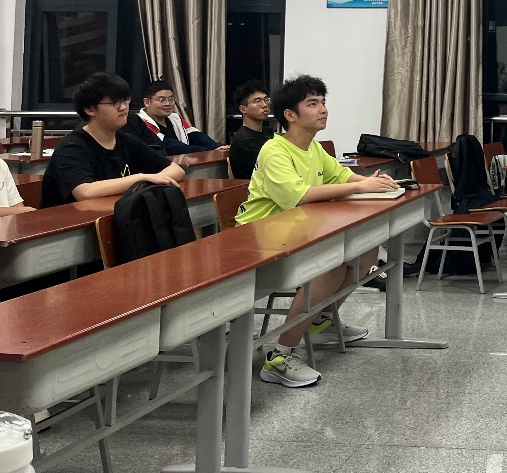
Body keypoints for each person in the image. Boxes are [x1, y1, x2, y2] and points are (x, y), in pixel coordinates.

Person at [234, 74, 399, 388]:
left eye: (323, 102)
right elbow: (299, 196)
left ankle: (320, 322)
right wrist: (361, 187)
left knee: (365, 251)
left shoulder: (314, 148)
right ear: (290, 115)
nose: (323, 109)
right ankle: (279, 355)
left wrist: (373, 183)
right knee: (331, 264)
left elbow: (342, 176)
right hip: (259, 238)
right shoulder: (275, 150)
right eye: (312, 104)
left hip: (295, 232)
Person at [41, 72, 185, 208]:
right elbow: (85, 192)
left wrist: (153, 180)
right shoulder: (71, 148)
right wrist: (142, 179)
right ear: (90, 109)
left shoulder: (127, 141)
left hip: (116, 214)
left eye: (125, 101)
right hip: (69, 222)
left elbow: (176, 170)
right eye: (114, 103)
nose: (123, 108)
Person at [125, 79, 228, 157]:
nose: (168, 103)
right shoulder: (140, 121)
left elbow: (194, 134)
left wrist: (217, 146)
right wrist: (210, 150)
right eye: (162, 100)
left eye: (171, 99)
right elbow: (171, 146)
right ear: (147, 102)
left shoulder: (175, 117)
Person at [227, 80, 271, 179]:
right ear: (243, 109)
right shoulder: (244, 140)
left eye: (266, 99)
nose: (265, 105)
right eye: (258, 101)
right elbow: (270, 168)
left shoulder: (269, 132)